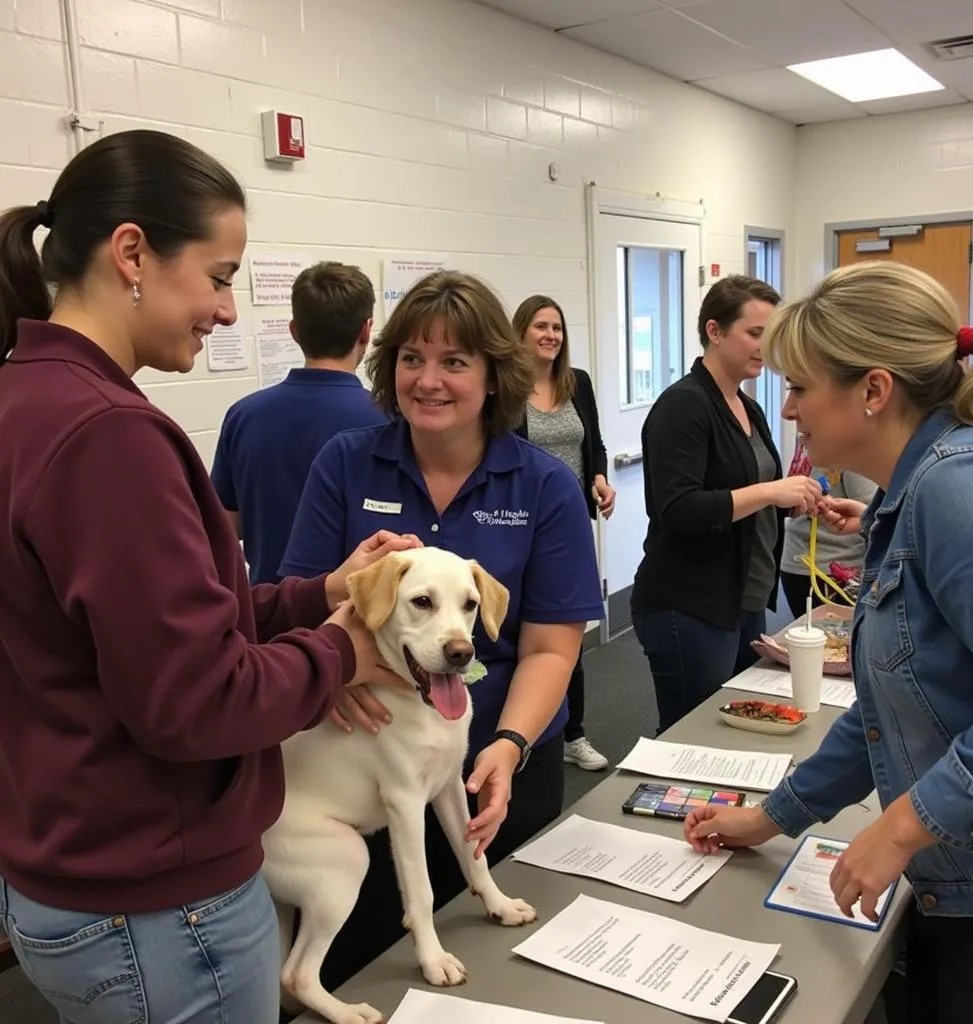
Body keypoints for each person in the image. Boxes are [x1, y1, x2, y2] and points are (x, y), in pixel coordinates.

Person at [0, 129, 411, 1024]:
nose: (228, 311)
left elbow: (150, 628)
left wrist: (316, 595)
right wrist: (340, 653)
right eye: (220, 276)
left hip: (69, 872)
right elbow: (193, 700)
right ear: (133, 254)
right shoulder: (108, 433)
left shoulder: (23, 395)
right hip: (156, 908)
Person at [684, 260, 973, 1023]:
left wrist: (900, 829)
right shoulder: (912, 494)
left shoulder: (960, 489)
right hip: (964, 878)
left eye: (802, 387)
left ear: (873, 391)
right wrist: (770, 818)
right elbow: (887, 712)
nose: (791, 407)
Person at [279, 269, 605, 988]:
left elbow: (552, 645)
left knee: (513, 977)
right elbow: (298, 603)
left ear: (495, 376)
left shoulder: (543, 484)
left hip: (496, 771)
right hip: (363, 774)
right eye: (411, 359)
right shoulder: (346, 463)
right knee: (373, 971)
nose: (428, 380)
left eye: (455, 361)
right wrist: (325, 677)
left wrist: (510, 745)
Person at [630, 275, 820, 734]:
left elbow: (746, 493)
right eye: (754, 334)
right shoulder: (683, 406)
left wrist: (792, 503)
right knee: (690, 732)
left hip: (743, 598)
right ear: (714, 332)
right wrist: (773, 492)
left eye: (769, 336)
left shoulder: (746, 406)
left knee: (732, 725)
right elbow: (678, 509)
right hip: (688, 603)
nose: (764, 347)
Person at [212, 261, 385, 584]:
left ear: (294, 331)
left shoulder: (243, 416)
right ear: (366, 330)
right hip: (349, 617)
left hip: (268, 615)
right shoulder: (390, 419)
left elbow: (224, 528)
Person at [512, 294, 614, 771]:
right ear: (521, 334)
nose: (551, 335)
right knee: (527, 630)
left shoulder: (578, 384)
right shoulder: (506, 390)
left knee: (567, 631)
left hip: (570, 528)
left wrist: (599, 477)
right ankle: (525, 728)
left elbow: (593, 443)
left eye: (557, 327)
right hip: (520, 523)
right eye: (541, 326)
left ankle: (573, 733)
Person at [779, 438, 876, 613]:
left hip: (829, 568)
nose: (788, 413)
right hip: (815, 568)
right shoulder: (810, 442)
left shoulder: (849, 446)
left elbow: (873, 514)